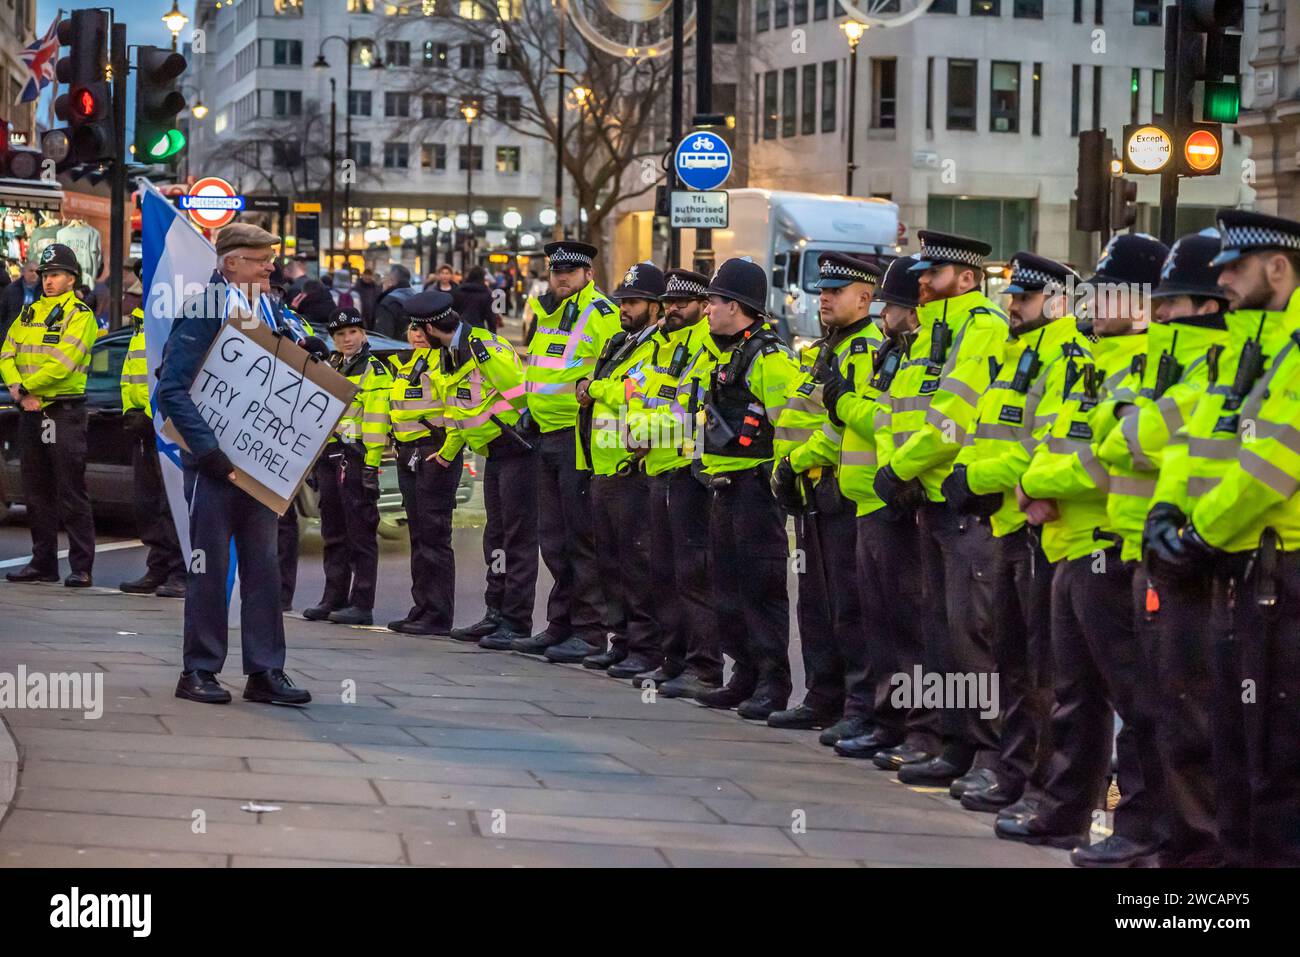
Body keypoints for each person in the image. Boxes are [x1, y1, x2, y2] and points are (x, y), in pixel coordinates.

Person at [998, 233, 1169, 867]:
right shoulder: (1099, 358)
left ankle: (1141, 825)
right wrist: (1032, 481)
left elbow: (1106, 457)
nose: (1095, 297)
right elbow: (1057, 437)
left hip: (1109, 544)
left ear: (1142, 298)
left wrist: (1036, 483)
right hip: (1070, 542)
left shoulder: (1148, 360)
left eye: (1108, 287)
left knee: (1134, 698)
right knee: (1073, 693)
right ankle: (1064, 811)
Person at [1148, 209, 1300, 866]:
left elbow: (1273, 466)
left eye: (1235, 267)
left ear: (1277, 266)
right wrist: (1167, 514)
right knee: (1237, 759)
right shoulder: (1256, 346)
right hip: (1246, 577)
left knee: (1275, 769)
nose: (1224, 281)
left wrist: (1199, 534)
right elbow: (1195, 441)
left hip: (1280, 575)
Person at [1094, 233, 1229, 866]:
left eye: (1172, 303)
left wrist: (1127, 425)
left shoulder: (1211, 360)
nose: (1163, 314)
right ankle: (1152, 835)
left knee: (1179, 717)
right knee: (1149, 709)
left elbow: (1142, 436)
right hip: (1137, 545)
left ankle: (1180, 850)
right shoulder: (1155, 359)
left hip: (1191, 558)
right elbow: (1111, 433)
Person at [943, 253, 1086, 816]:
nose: (1012, 306)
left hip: (1036, 528)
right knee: (1010, 659)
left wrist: (973, 477)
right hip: (1006, 523)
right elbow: (991, 432)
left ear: (1053, 302)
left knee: (1039, 669)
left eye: (1023, 298)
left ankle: (1032, 779)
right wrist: (969, 474)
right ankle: (1014, 769)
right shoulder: (1016, 353)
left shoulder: (1066, 357)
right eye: (1012, 296)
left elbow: (1040, 449)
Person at [871, 230, 1008, 787]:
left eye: (934, 273)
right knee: (941, 635)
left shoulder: (982, 329)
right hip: (926, 500)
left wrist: (900, 469)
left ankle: (989, 753)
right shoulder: (931, 333)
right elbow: (896, 414)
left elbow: (954, 418)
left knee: (974, 636)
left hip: (965, 504)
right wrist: (898, 471)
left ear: (967, 278)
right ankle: (953, 744)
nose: (922, 280)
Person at [154, 222, 310, 706]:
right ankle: (198, 669)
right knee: (208, 567)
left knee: (265, 570)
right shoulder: (205, 306)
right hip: (216, 464)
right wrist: (210, 452)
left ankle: (265, 671)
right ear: (230, 262)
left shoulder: (269, 306)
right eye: (260, 258)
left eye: (271, 257)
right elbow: (171, 389)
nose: (271, 265)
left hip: (261, 466)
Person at [768, 252, 882, 734]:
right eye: (823, 291)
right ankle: (822, 696)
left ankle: (858, 707)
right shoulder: (824, 348)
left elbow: (841, 424)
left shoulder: (867, 348)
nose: (825, 298)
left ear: (865, 297)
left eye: (836, 291)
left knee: (848, 606)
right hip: (812, 491)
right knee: (816, 604)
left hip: (842, 493)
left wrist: (796, 462)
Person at [823, 256, 932, 758]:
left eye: (892, 307)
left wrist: (844, 402)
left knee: (903, 627)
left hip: (891, 500)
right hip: (868, 497)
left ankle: (906, 726)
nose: (886, 315)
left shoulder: (899, 352)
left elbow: (885, 421)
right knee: (875, 622)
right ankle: (884, 721)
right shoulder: (894, 352)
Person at [692, 258, 803, 719]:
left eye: (714, 302)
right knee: (728, 586)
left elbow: (791, 426)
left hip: (756, 489)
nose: (707, 311)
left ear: (736, 307)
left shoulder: (770, 358)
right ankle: (745, 673)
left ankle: (772, 682)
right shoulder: (723, 352)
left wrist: (778, 481)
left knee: (760, 589)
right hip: (724, 486)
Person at [412, 290, 539, 647]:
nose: (419, 339)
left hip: (518, 451)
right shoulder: (452, 355)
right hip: (495, 455)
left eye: (421, 331)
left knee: (517, 539)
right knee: (495, 538)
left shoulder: (484, 348)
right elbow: (458, 411)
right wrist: (449, 450)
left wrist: (519, 427)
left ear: (434, 329)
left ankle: (516, 621)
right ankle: (495, 612)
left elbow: (520, 392)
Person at [512, 241, 619, 659]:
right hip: (545, 435)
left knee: (580, 537)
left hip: (578, 436)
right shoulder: (546, 311)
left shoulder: (602, 315)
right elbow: (541, 369)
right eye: (556, 271)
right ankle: (560, 623)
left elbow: (612, 370)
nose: (561, 277)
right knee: (552, 539)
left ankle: (590, 631)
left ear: (588, 275)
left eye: (570, 272)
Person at [624, 268, 723, 699]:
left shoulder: (706, 348)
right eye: (668, 303)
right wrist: (638, 431)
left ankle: (705, 667)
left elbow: (695, 415)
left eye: (682, 303)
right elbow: (637, 395)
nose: (673, 310)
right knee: (662, 573)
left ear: (704, 305)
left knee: (693, 575)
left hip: (687, 472)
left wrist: (647, 432)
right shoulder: (660, 346)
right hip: (657, 469)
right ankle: (674, 658)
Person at [567, 261, 666, 676]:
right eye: (623, 300)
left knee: (635, 564)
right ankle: (620, 639)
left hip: (630, 470)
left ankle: (645, 646)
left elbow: (632, 390)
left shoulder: (655, 346)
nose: (624, 308)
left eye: (634, 301)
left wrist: (596, 389)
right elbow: (590, 384)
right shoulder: (619, 341)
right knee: (609, 563)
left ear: (656, 307)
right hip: (602, 466)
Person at [0, 243, 99, 587]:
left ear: (72, 279)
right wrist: (16, 388)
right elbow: (6, 352)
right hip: (31, 411)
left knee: (70, 490)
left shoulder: (80, 315)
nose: (48, 281)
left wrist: (27, 389)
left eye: (55, 274)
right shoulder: (29, 312)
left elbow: (63, 363)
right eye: (45, 275)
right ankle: (43, 563)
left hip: (63, 411)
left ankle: (81, 566)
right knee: (36, 491)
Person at [303, 307, 393, 626]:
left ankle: (362, 602)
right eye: (340, 335)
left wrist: (370, 466)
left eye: (353, 332)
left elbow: (377, 420)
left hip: (356, 457)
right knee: (333, 530)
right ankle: (334, 596)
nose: (347, 339)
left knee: (361, 533)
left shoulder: (374, 370)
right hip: (331, 455)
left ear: (363, 334)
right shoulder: (334, 366)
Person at [383, 304, 460, 635]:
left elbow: (460, 408)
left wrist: (447, 452)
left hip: (433, 452)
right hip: (408, 454)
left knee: (435, 534)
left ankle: (438, 614)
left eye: (422, 328)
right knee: (419, 534)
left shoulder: (446, 362)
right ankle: (422, 606)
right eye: (412, 328)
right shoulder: (406, 364)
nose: (416, 334)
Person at [118, 303, 186, 598]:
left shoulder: (175, 314)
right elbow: (131, 373)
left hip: (165, 423)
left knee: (170, 501)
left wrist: (151, 413)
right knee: (147, 502)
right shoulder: (142, 321)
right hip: (143, 424)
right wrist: (130, 410)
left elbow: (172, 371)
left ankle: (180, 570)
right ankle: (158, 565)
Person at [373, 264, 416, 339]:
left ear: (391, 280)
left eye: (385, 277)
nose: (382, 281)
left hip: (395, 349)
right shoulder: (416, 297)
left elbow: (383, 338)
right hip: (418, 349)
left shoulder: (388, 302)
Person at [0, 260, 40, 340]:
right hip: (11, 334)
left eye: (37, 271)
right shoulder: (11, 289)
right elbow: (2, 313)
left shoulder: (45, 290)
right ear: (24, 272)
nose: (34, 274)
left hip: (35, 334)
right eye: (31, 271)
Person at [452, 265, 496, 332]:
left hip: (460, 328)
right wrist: (493, 333)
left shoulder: (459, 290)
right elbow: (490, 317)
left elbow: (453, 311)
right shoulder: (486, 293)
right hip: (479, 329)